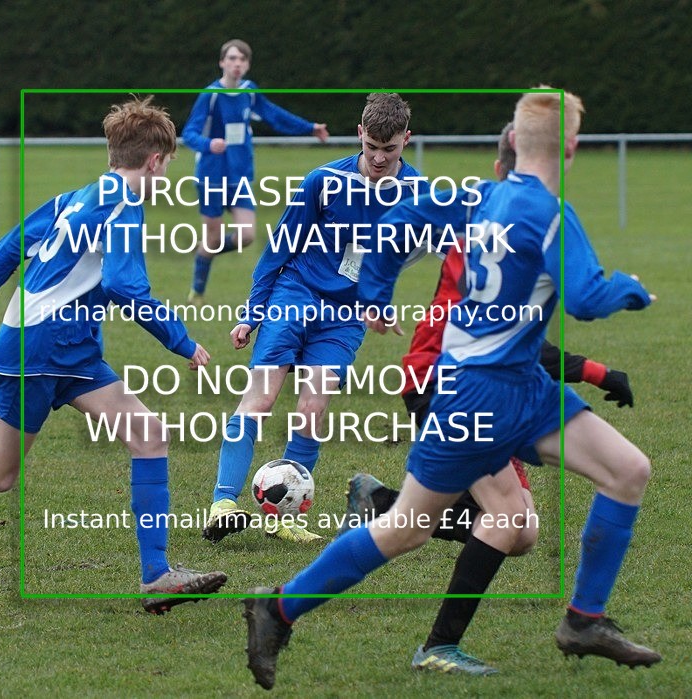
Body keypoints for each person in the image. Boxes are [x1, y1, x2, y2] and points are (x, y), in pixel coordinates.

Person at [242, 88, 661, 690]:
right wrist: (633, 289)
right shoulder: (551, 215)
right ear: (570, 147)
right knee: (415, 527)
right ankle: (279, 608)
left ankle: (583, 620)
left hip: (522, 388)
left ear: (513, 142)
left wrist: (374, 295)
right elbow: (590, 299)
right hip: (477, 398)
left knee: (627, 471)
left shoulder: (475, 197)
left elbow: (394, 228)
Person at [0, 96, 227, 615]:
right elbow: (124, 285)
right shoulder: (122, 208)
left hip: (70, 352)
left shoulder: (75, 197)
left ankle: (157, 576)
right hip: (39, 350)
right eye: (168, 166)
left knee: (149, 434)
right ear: (156, 160)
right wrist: (181, 340)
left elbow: (6, 250)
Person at [337, 121, 637, 675]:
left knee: (521, 533)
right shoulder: (485, 238)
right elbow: (506, 347)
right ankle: (436, 646)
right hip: (441, 384)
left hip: (471, 384)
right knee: (508, 516)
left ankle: (379, 506)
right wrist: (597, 371)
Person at [201, 93, 420, 544]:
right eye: (372, 146)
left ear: (406, 140)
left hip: (344, 316)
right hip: (295, 293)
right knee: (261, 400)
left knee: (313, 409)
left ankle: (283, 514)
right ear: (360, 133)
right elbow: (277, 249)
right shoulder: (323, 182)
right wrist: (251, 314)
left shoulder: (417, 194)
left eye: (390, 149)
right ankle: (223, 501)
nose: (379, 158)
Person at [181, 39, 329, 304]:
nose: (237, 64)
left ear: (247, 65)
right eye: (232, 59)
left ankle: (206, 250)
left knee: (247, 235)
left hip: (240, 177)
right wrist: (208, 144)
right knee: (213, 238)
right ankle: (197, 290)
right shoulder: (211, 95)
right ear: (222, 62)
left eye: (242, 60)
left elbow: (274, 115)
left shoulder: (250, 92)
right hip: (211, 177)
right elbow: (189, 132)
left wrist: (310, 127)